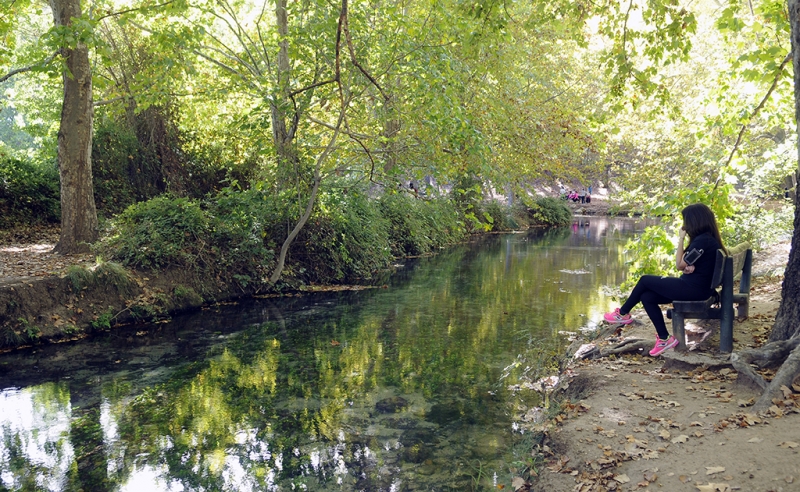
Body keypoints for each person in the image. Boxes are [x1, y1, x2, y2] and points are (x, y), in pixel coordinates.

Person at [603, 203, 727, 356]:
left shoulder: (702, 241)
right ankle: (664, 338)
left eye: (686, 221)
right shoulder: (707, 240)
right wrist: (690, 266)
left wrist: (681, 239)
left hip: (694, 290)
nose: (684, 225)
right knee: (646, 296)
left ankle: (622, 314)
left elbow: (679, 264)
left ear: (695, 221)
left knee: (645, 280)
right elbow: (689, 264)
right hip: (699, 288)